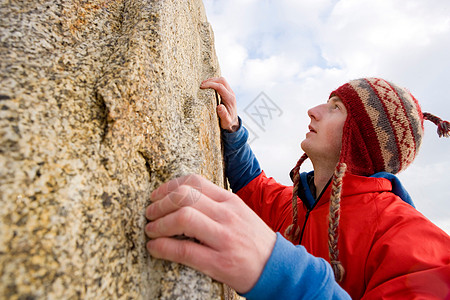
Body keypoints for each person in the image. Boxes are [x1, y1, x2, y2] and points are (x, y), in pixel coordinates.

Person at [144, 77, 450, 299]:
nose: (313, 110)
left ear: (361, 140)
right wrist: (234, 130)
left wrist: (280, 271)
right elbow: (254, 186)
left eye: (335, 108)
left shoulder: (411, 238)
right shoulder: (301, 203)